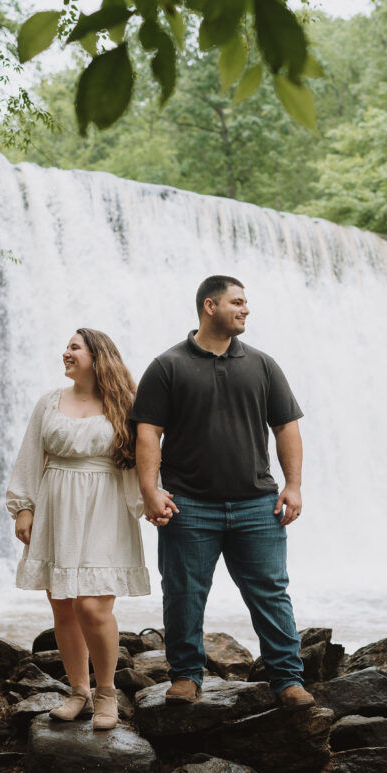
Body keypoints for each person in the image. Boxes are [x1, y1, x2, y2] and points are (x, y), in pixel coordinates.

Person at [131, 275, 314, 709]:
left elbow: (286, 426)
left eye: (247, 302)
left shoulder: (263, 364)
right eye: (238, 302)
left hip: (256, 503)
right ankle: (186, 677)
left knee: (270, 592)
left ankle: (288, 680)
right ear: (210, 306)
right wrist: (149, 490)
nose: (246, 309)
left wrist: (294, 484)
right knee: (184, 593)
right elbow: (147, 432)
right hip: (189, 505)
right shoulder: (167, 365)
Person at [6, 328, 150, 730]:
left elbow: (147, 454)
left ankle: (106, 693)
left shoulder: (125, 402)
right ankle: (78, 693)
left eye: (74, 347)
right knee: (63, 606)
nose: (65, 352)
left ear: (96, 355)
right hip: (56, 505)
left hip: (105, 507)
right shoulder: (50, 402)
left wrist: (153, 498)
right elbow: (30, 454)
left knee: (92, 605)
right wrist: (23, 507)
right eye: (66, 346)